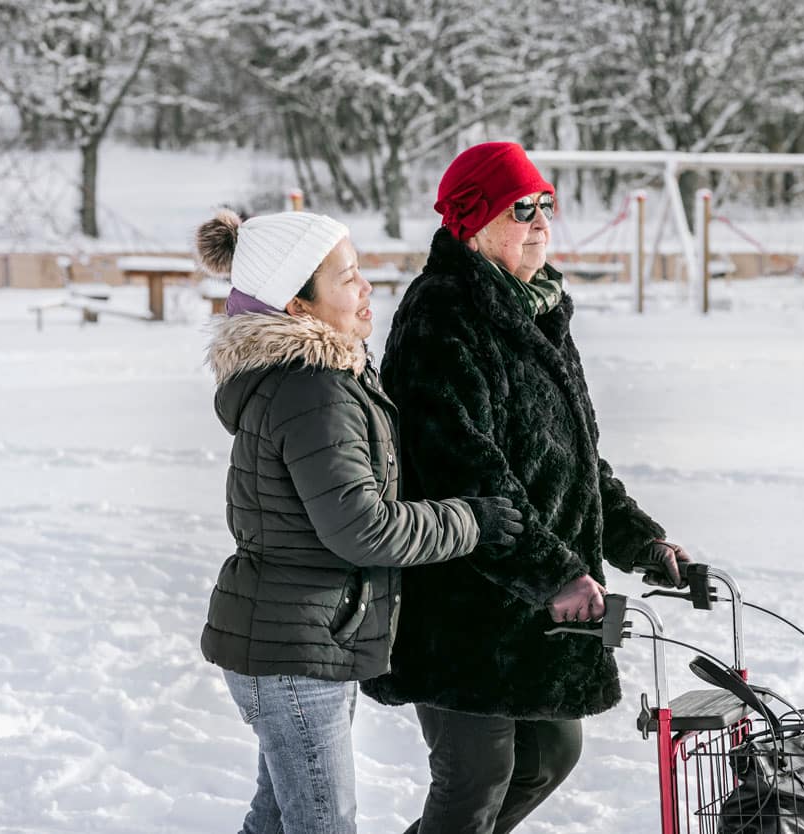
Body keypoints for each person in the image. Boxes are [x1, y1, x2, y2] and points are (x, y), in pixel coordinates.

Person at [360, 142, 691, 834]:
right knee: (476, 777)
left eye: (546, 205)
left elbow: (580, 461)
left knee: (549, 754)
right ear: (471, 224)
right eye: (521, 209)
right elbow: (468, 473)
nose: (540, 222)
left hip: (540, 605)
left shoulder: (539, 309)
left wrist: (644, 540)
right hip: (464, 602)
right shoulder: (441, 318)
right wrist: (553, 573)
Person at [195, 208, 524, 834]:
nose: (367, 288)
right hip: (294, 655)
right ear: (298, 305)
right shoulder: (312, 389)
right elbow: (362, 527)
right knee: (322, 823)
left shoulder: (321, 376)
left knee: (275, 820)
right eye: (347, 278)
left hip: (297, 640)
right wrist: (471, 520)